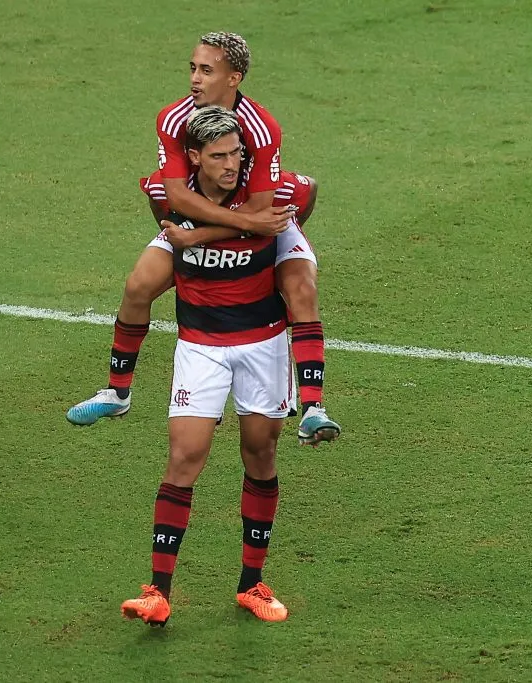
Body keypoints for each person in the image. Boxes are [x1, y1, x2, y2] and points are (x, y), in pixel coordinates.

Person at [66, 31, 340, 446]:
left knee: (301, 286)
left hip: (252, 217)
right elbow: (174, 194)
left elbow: (260, 213)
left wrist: (196, 237)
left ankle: (314, 408)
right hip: (198, 219)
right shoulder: (174, 119)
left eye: (207, 70)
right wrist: (181, 235)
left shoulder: (261, 128)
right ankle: (117, 393)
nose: (195, 79)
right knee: (138, 285)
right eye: (193, 68)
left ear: (235, 77)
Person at [120, 106, 291, 626]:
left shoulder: (275, 198)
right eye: (219, 156)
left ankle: (252, 584)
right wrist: (206, 233)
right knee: (185, 456)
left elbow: (286, 216)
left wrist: (201, 235)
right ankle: (157, 591)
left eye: (238, 153)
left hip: (264, 344)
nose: (233, 164)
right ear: (192, 158)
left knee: (259, 453)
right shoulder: (166, 199)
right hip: (200, 347)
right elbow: (173, 235)